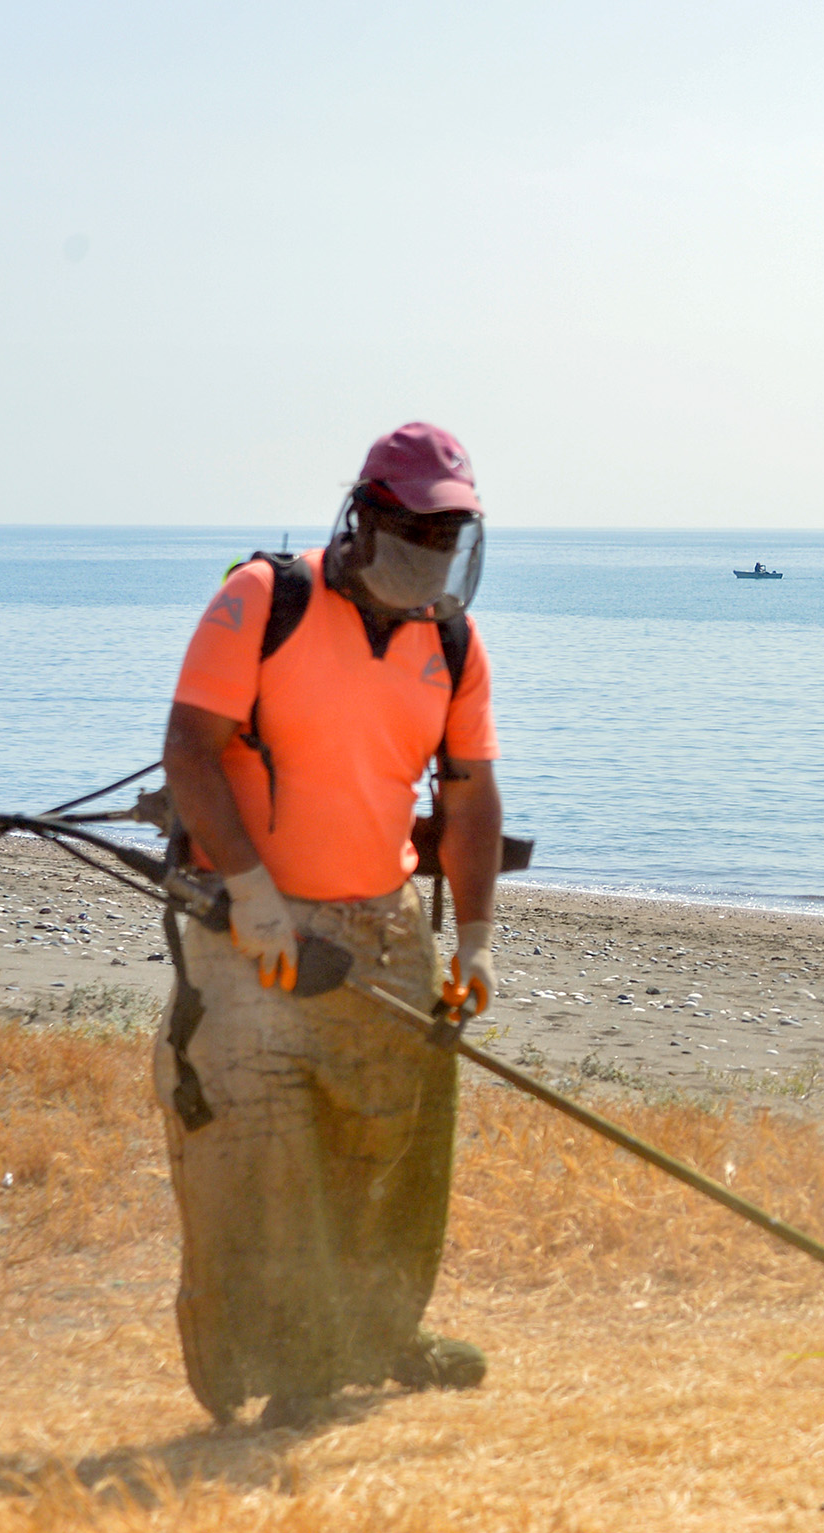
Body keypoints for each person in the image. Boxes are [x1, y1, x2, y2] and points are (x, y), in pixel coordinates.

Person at [155, 421, 504, 1427]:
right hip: (253, 925)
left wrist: (475, 937)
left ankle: (379, 1331)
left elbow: (472, 796)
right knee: (259, 1150)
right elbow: (190, 749)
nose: (430, 557)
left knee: (391, 1139)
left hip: (384, 922)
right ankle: (283, 1369)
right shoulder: (264, 600)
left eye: (448, 540)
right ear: (365, 517)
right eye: (416, 534)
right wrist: (253, 890)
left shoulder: (451, 640)